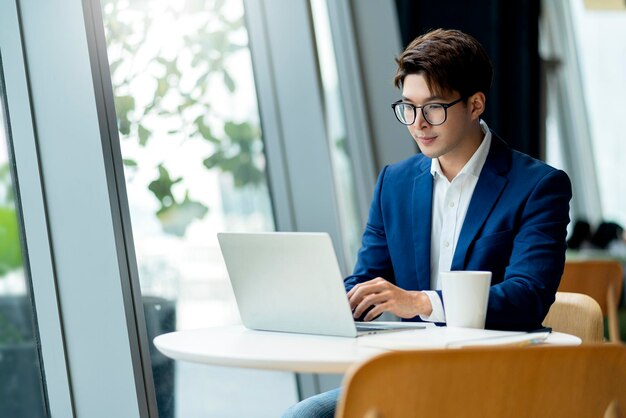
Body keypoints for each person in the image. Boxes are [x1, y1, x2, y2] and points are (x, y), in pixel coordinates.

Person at [282, 28, 572, 418]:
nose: (418, 123)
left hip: (497, 380)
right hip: (410, 372)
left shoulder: (538, 186)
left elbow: (527, 295)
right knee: (302, 415)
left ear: (474, 105)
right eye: (408, 107)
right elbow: (367, 280)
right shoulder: (395, 183)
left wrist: (421, 302)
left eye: (434, 108)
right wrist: (328, 305)